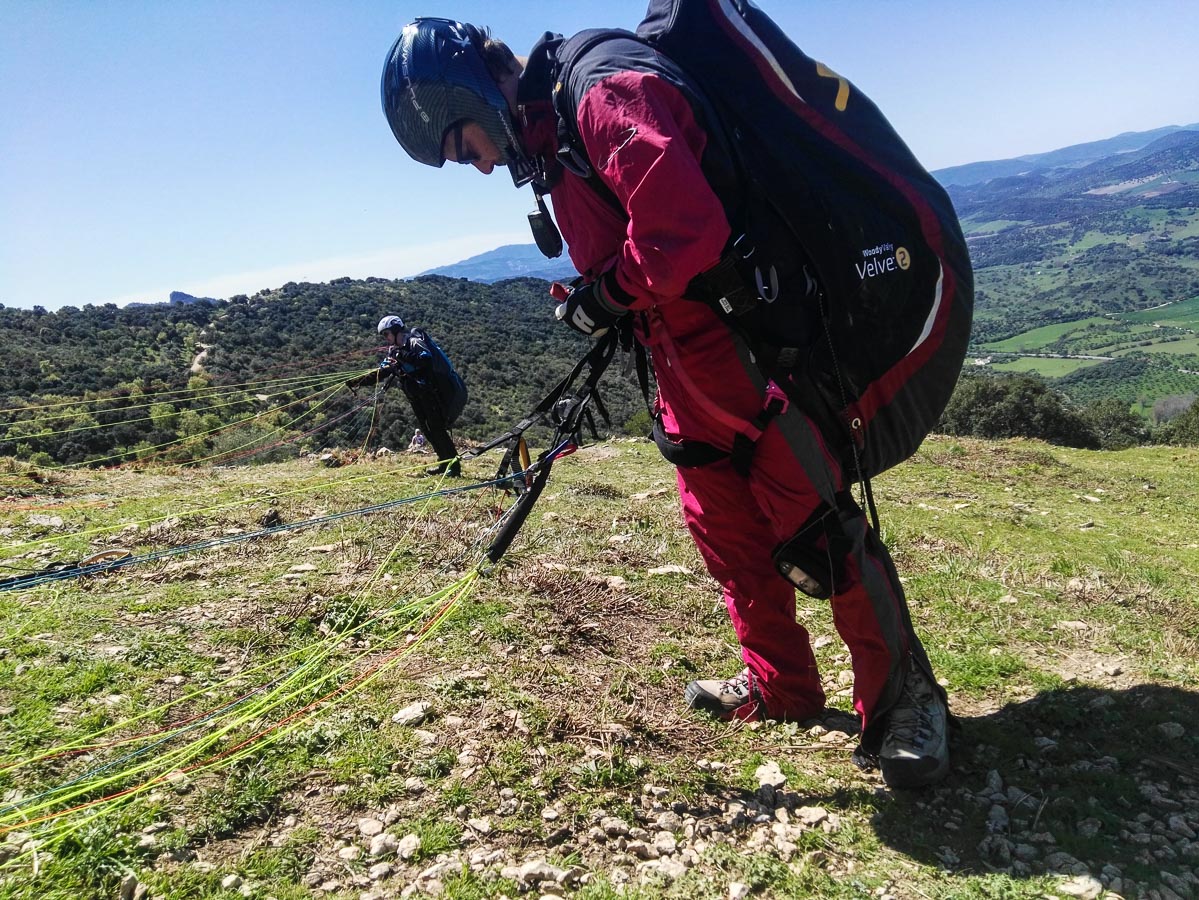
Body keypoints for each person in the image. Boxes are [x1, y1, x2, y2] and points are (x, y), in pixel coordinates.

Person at [378, 18, 949, 787]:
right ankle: (782, 686)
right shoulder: (551, 136)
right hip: (682, 370)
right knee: (728, 538)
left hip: (750, 357)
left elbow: (684, 230)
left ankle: (907, 701)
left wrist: (607, 296)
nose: (479, 165)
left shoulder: (602, 91)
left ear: (472, 93)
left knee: (818, 530)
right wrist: (599, 297)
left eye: (465, 144)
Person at [354, 315, 461, 477]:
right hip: (415, 397)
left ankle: (454, 467)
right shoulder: (394, 351)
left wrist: (400, 355)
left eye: (387, 333)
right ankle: (443, 462)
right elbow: (383, 372)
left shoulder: (413, 342)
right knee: (427, 430)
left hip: (430, 394)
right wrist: (358, 381)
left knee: (437, 429)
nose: (386, 338)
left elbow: (425, 359)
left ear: (396, 330)